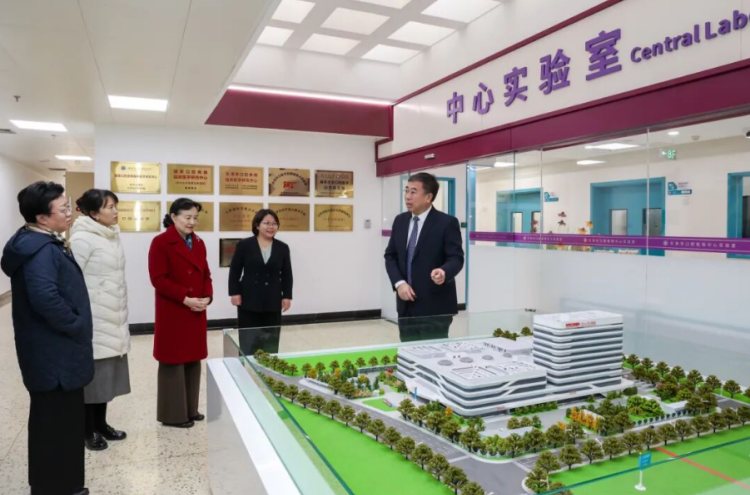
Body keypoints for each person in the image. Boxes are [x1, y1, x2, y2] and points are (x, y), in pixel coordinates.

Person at [1, 181, 93, 495]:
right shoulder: (39, 250)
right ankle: (58, 487)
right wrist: (76, 324)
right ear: (42, 218)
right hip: (55, 355)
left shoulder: (36, 241)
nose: (70, 213)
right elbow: (45, 298)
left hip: (51, 351)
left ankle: (53, 484)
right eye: (63, 209)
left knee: (53, 421)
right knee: (57, 423)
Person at [70, 189, 131, 451]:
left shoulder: (110, 235)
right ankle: (87, 431)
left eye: (116, 206)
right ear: (94, 213)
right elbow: (72, 282)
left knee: (105, 378)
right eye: (109, 207)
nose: (115, 211)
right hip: (94, 318)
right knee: (92, 380)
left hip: (112, 314)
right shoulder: (82, 238)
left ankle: (101, 424)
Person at [148, 198, 213, 428]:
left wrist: (207, 297)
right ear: (174, 217)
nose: (192, 222)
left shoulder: (199, 242)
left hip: (196, 309)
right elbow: (158, 279)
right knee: (173, 361)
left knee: (193, 360)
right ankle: (173, 415)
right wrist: (185, 298)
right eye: (187, 217)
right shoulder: (160, 242)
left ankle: (190, 409)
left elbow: (206, 274)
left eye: (195, 217)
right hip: (174, 310)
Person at [384, 172, 464, 342]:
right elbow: (390, 256)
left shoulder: (446, 223)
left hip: (435, 305)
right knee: (408, 351)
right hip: (406, 304)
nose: (407, 196)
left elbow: (456, 258)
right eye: (406, 190)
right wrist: (399, 283)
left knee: (433, 353)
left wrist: (444, 272)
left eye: (413, 192)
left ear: (428, 197)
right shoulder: (400, 221)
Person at [228, 209, 293, 355]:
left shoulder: (282, 247)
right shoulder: (244, 245)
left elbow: (287, 274)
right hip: (249, 298)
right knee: (248, 338)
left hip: (273, 298)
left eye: (274, 224)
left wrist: (287, 296)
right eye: (267, 223)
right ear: (257, 225)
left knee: (271, 338)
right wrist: (234, 293)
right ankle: (247, 363)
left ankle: (268, 365)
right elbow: (235, 270)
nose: (271, 227)